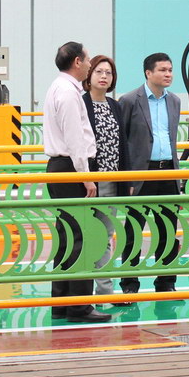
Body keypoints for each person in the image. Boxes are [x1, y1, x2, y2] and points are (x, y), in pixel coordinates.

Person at [42, 41, 110, 324]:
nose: (91, 64)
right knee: (83, 237)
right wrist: (86, 176)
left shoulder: (57, 87)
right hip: (72, 168)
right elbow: (75, 139)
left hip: (60, 167)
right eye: (88, 59)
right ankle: (79, 306)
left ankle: (62, 302)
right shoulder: (69, 93)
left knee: (67, 236)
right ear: (78, 62)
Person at [117, 52, 182, 296]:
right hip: (141, 174)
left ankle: (166, 283)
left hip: (168, 172)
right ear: (148, 73)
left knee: (167, 230)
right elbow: (122, 142)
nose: (168, 74)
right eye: (163, 70)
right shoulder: (129, 100)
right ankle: (129, 284)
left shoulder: (174, 101)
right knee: (133, 230)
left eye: (170, 70)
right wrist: (127, 178)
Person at [82, 55, 128, 301]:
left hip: (112, 181)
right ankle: (84, 291)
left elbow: (123, 145)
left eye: (108, 73)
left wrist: (126, 180)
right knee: (84, 236)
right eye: (99, 71)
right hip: (87, 183)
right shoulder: (81, 104)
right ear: (89, 76)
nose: (103, 76)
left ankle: (104, 291)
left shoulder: (115, 106)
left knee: (105, 236)